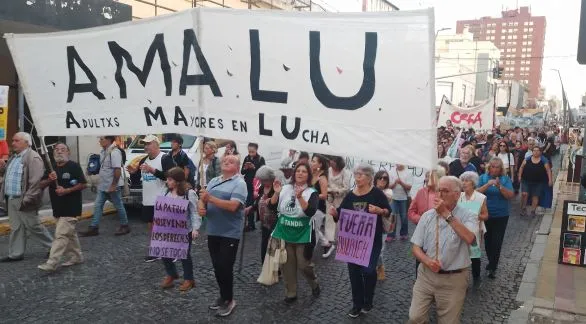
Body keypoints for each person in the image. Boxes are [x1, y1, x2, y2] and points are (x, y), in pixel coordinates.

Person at [408, 176, 477, 324]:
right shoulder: (427, 216)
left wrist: (446, 214)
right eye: (438, 190)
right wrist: (427, 261)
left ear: (457, 195)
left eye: (445, 191)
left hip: (453, 279)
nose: (440, 194)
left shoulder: (468, 215)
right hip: (426, 276)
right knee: (415, 317)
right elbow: (415, 247)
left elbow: (471, 239)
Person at [329, 163, 391, 318]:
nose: (357, 177)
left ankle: (368, 299)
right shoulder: (350, 195)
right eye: (356, 174)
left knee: (369, 271)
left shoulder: (377, 194)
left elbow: (388, 211)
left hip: (372, 240)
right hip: (353, 241)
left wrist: (379, 210)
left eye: (360, 174)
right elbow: (341, 213)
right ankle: (357, 304)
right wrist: (334, 214)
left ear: (370, 177)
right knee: (354, 273)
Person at [198, 155, 247, 317]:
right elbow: (202, 198)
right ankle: (223, 295)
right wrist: (201, 206)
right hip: (213, 230)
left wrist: (210, 198)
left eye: (231, 161)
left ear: (237, 167)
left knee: (225, 266)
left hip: (229, 233)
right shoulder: (213, 181)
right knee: (217, 266)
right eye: (225, 160)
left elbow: (233, 206)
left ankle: (229, 300)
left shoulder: (240, 184)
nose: (226, 162)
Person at [269, 161, 320, 305]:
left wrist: (299, 197)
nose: (300, 173)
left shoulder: (312, 192)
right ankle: (291, 293)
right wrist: (276, 193)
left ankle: (314, 282)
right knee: (287, 265)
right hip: (285, 232)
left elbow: (310, 211)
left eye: (304, 171)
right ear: (294, 173)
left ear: (308, 175)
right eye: (298, 171)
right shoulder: (285, 188)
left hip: (303, 234)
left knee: (303, 265)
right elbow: (271, 206)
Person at [0, 132, 53, 262]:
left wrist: (27, 200)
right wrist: (3, 168)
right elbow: (12, 175)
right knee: (16, 227)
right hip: (11, 198)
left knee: (33, 226)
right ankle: (16, 254)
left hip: (24, 199)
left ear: (26, 143)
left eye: (16, 140)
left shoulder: (33, 157)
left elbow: (35, 182)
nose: (13, 143)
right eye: (13, 140)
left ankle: (54, 248)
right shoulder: (14, 157)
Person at [37, 142, 87, 271]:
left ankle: (52, 262)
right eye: (57, 149)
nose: (59, 151)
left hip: (71, 207)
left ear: (68, 152)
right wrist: (49, 179)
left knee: (61, 235)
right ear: (53, 153)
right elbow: (41, 185)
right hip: (57, 207)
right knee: (69, 234)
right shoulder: (51, 167)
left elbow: (83, 184)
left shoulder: (74, 166)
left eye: (63, 149)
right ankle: (77, 257)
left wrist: (67, 191)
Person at [126, 135, 168, 262]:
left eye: (148, 144)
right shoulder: (143, 159)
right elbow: (138, 177)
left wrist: (153, 170)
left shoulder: (165, 158)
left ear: (156, 144)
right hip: (148, 199)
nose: (146, 147)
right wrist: (133, 172)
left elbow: (170, 177)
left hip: (161, 198)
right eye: (145, 144)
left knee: (159, 226)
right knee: (151, 226)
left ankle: (158, 250)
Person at [159, 167, 201, 292]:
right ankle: (171, 274)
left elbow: (194, 212)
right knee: (164, 252)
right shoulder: (166, 191)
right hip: (168, 228)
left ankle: (189, 279)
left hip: (184, 229)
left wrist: (195, 228)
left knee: (184, 255)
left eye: (170, 179)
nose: (167, 181)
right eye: (167, 179)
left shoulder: (189, 193)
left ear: (177, 181)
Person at [80, 136, 130, 237]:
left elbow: (117, 170)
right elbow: (104, 167)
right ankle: (94, 227)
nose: (99, 140)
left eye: (102, 138)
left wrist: (113, 185)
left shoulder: (115, 152)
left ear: (108, 140)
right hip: (103, 185)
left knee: (118, 205)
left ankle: (125, 226)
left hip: (112, 185)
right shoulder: (103, 151)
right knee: (98, 205)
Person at [476, 157, 515, 279]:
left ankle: (493, 266)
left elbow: (510, 195)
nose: (494, 169)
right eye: (492, 166)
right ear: (489, 167)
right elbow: (475, 193)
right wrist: (487, 185)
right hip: (486, 214)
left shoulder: (505, 179)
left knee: (497, 242)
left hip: (501, 215)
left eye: (497, 167)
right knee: (488, 242)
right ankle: (491, 261)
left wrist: (500, 187)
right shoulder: (483, 178)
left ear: (501, 168)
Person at [408, 166, 445, 277]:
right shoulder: (421, 192)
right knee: (420, 255)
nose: (427, 179)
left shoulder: (445, 193)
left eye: (430, 176)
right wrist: (420, 219)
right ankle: (419, 278)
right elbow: (411, 211)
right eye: (426, 176)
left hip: (441, 232)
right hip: (423, 232)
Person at [458, 171, 488, 286]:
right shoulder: (458, 196)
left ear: (473, 183)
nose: (464, 183)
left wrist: (476, 215)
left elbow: (486, 215)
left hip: (474, 230)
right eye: (463, 180)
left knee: (474, 255)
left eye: (467, 181)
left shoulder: (481, 198)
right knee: (460, 253)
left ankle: (476, 277)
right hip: (460, 230)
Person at [250, 166, 278, 262]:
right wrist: (251, 208)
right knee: (264, 247)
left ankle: (275, 271)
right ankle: (265, 268)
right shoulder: (262, 187)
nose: (261, 182)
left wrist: (270, 202)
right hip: (264, 224)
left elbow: (276, 206)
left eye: (263, 180)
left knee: (274, 248)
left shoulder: (276, 188)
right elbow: (258, 200)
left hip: (275, 223)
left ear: (270, 179)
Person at [326, 156, 352, 258]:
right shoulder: (328, 170)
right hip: (329, 198)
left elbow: (346, 187)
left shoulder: (345, 172)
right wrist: (329, 190)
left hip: (340, 199)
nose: (330, 161)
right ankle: (329, 240)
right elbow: (325, 184)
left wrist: (335, 190)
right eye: (330, 160)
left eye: (333, 160)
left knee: (339, 220)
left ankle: (340, 240)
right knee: (329, 218)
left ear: (337, 162)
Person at [518, 146, 553, 217]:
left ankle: (533, 210)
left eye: (537, 150)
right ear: (532, 151)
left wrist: (550, 180)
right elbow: (521, 167)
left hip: (538, 182)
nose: (536, 152)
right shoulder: (527, 159)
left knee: (535, 196)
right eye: (534, 150)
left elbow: (548, 170)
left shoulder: (544, 160)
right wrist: (519, 176)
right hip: (526, 180)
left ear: (540, 152)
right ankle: (523, 208)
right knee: (524, 194)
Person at [310, 154, 331, 256]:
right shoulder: (312, 173)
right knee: (313, 227)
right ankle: (326, 243)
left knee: (314, 229)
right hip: (311, 206)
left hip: (319, 207)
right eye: (312, 160)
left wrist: (312, 195)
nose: (311, 163)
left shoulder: (322, 177)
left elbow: (324, 195)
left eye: (314, 161)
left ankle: (309, 253)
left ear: (320, 164)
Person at [242, 142, 266, 232]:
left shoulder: (260, 159)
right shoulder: (247, 158)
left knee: (257, 204)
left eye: (252, 151)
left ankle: (262, 223)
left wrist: (254, 167)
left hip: (257, 185)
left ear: (256, 150)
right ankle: (250, 224)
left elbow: (263, 173)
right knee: (249, 203)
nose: (250, 153)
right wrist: (246, 168)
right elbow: (242, 172)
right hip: (248, 184)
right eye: (249, 151)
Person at [374, 170, 392, 280]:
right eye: (380, 177)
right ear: (375, 178)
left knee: (379, 250)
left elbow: (386, 198)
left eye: (385, 178)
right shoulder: (370, 190)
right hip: (370, 224)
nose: (382, 180)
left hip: (382, 225)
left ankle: (380, 267)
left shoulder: (388, 192)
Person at [388, 164, 413, 242]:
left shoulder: (408, 172)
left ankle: (404, 234)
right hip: (393, 198)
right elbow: (388, 186)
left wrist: (401, 183)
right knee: (392, 217)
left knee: (404, 217)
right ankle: (391, 235)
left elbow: (409, 187)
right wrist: (395, 183)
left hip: (404, 198)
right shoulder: (391, 171)